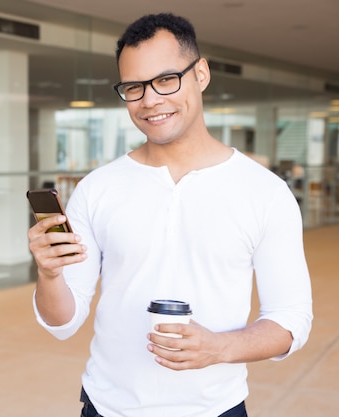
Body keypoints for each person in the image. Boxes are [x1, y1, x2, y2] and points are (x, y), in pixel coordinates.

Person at [27, 12, 313, 417]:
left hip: (215, 408)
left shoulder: (265, 191)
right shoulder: (97, 188)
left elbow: (291, 320)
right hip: (107, 407)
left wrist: (220, 347)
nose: (149, 101)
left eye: (165, 80)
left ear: (201, 74)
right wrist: (50, 273)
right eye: (133, 87)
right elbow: (62, 323)